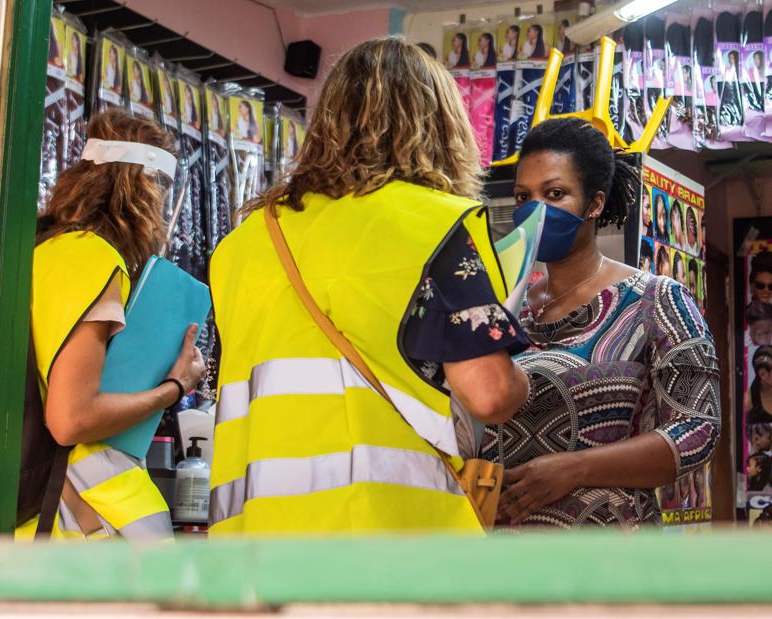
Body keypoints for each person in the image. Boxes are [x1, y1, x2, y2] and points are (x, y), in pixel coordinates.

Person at [208, 39, 531, 535]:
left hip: (255, 541)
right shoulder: (434, 226)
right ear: (441, 125)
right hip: (384, 534)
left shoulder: (241, 245)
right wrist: (523, 377)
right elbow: (488, 394)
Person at [481, 117, 720, 528]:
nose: (535, 210)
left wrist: (576, 468)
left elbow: (697, 429)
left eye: (554, 194)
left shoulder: (656, 301)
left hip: (611, 561)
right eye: (524, 196)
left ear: (594, 203)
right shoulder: (505, 304)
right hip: (504, 562)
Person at [21, 109, 206, 540]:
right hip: (81, 523)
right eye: (160, 189)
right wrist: (175, 386)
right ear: (140, 186)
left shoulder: (41, 250)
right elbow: (71, 417)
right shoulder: (95, 259)